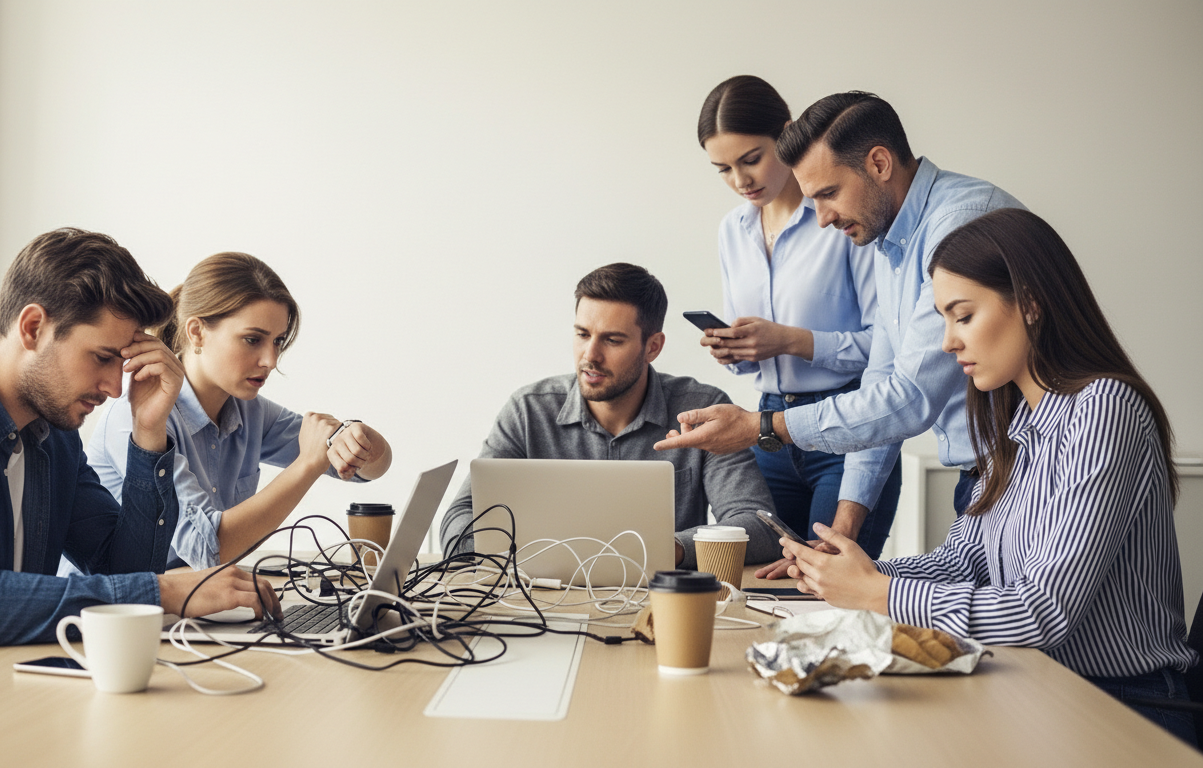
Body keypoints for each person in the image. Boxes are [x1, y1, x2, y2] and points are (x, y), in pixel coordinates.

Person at [778, 209, 1198, 744]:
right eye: (943, 319)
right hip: (1037, 689)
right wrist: (847, 574)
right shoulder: (1016, 421)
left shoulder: (1105, 408)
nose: (949, 341)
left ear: (1030, 303)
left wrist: (876, 593)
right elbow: (961, 562)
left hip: (1121, 707)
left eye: (963, 316)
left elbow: (1042, 611)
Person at [0, 229, 279, 681]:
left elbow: (124, 570)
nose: (116, 387)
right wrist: (164, 592)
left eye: (122, 363)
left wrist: (148, 432)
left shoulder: (53, 436)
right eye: (101, 358)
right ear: (33, 327)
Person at [657, 91, 1024, 577]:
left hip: (1027, 465)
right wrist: (843, 529)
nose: (824, 218)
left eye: (829, 194)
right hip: (983, 470)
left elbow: (909, 396)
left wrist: (762, 426)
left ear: (878, 163)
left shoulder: (956, 226)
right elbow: (884, 381)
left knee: (1016, 635)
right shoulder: (891, 240)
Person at [438, 263, 780, 569]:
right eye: (582, 334)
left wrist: (668, 549)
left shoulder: (704, 409)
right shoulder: (528, 410)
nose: (591, 355)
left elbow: (760, 524)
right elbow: (459, 519)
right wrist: (522, 553)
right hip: (542, 600)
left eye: (612, 340)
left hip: (656, 602)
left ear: (653, 347)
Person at [695, 76, 902, 559]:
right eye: (722, 169)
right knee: (757, 578)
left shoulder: (843, 214)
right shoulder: (733, 230)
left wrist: (791, 340)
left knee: (825, 581)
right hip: (766, 428)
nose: (740, 181)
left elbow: (888, 347)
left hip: (846, 424)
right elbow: (753, 358)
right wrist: (736, 351)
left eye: (751, 159)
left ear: (786, 136)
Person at [81, 252, 393, 571]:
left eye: (278, 341)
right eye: (252, 339)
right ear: (197, 332)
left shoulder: (250, 412)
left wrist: (354, 435)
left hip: (192, 611)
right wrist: (308, 464)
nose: (270, 360)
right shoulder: (134, 417)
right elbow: (207, 548)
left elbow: (369, 471)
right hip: (112, 614)